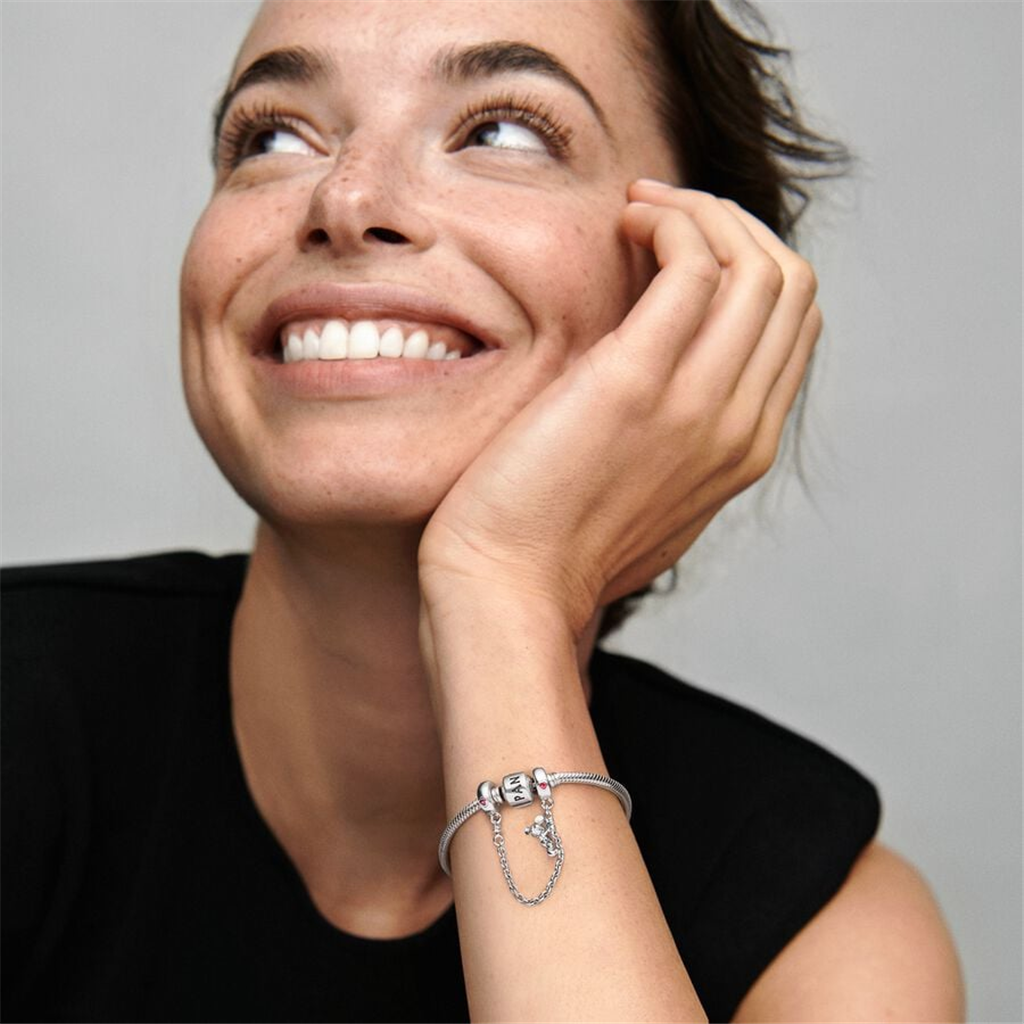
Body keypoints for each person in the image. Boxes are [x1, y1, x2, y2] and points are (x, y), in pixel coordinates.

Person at [1, 1, 964, 1021]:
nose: (345, 197)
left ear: (697, 301)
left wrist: (500, 593)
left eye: (501, 131)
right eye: (273, 136)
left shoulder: (826, 941)